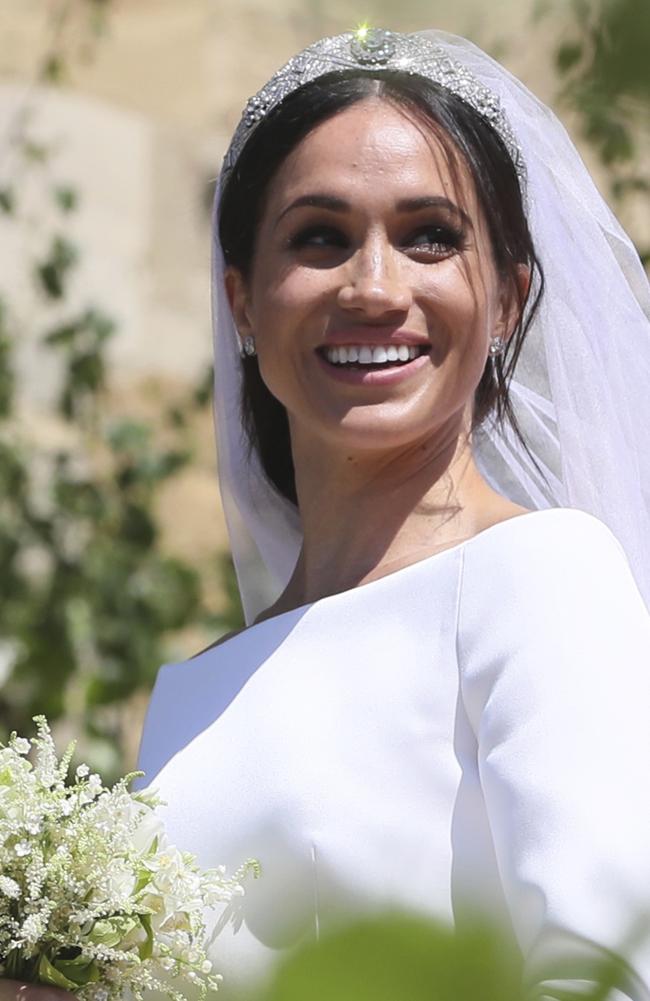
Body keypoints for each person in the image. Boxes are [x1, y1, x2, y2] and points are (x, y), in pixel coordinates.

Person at [7, 27, 647, 1001]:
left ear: (510, 297)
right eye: (320, 237)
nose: (374, 286)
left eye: (429, 234)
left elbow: (602, 974)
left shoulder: (541, 575)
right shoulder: (188, 697)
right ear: (243, 303)